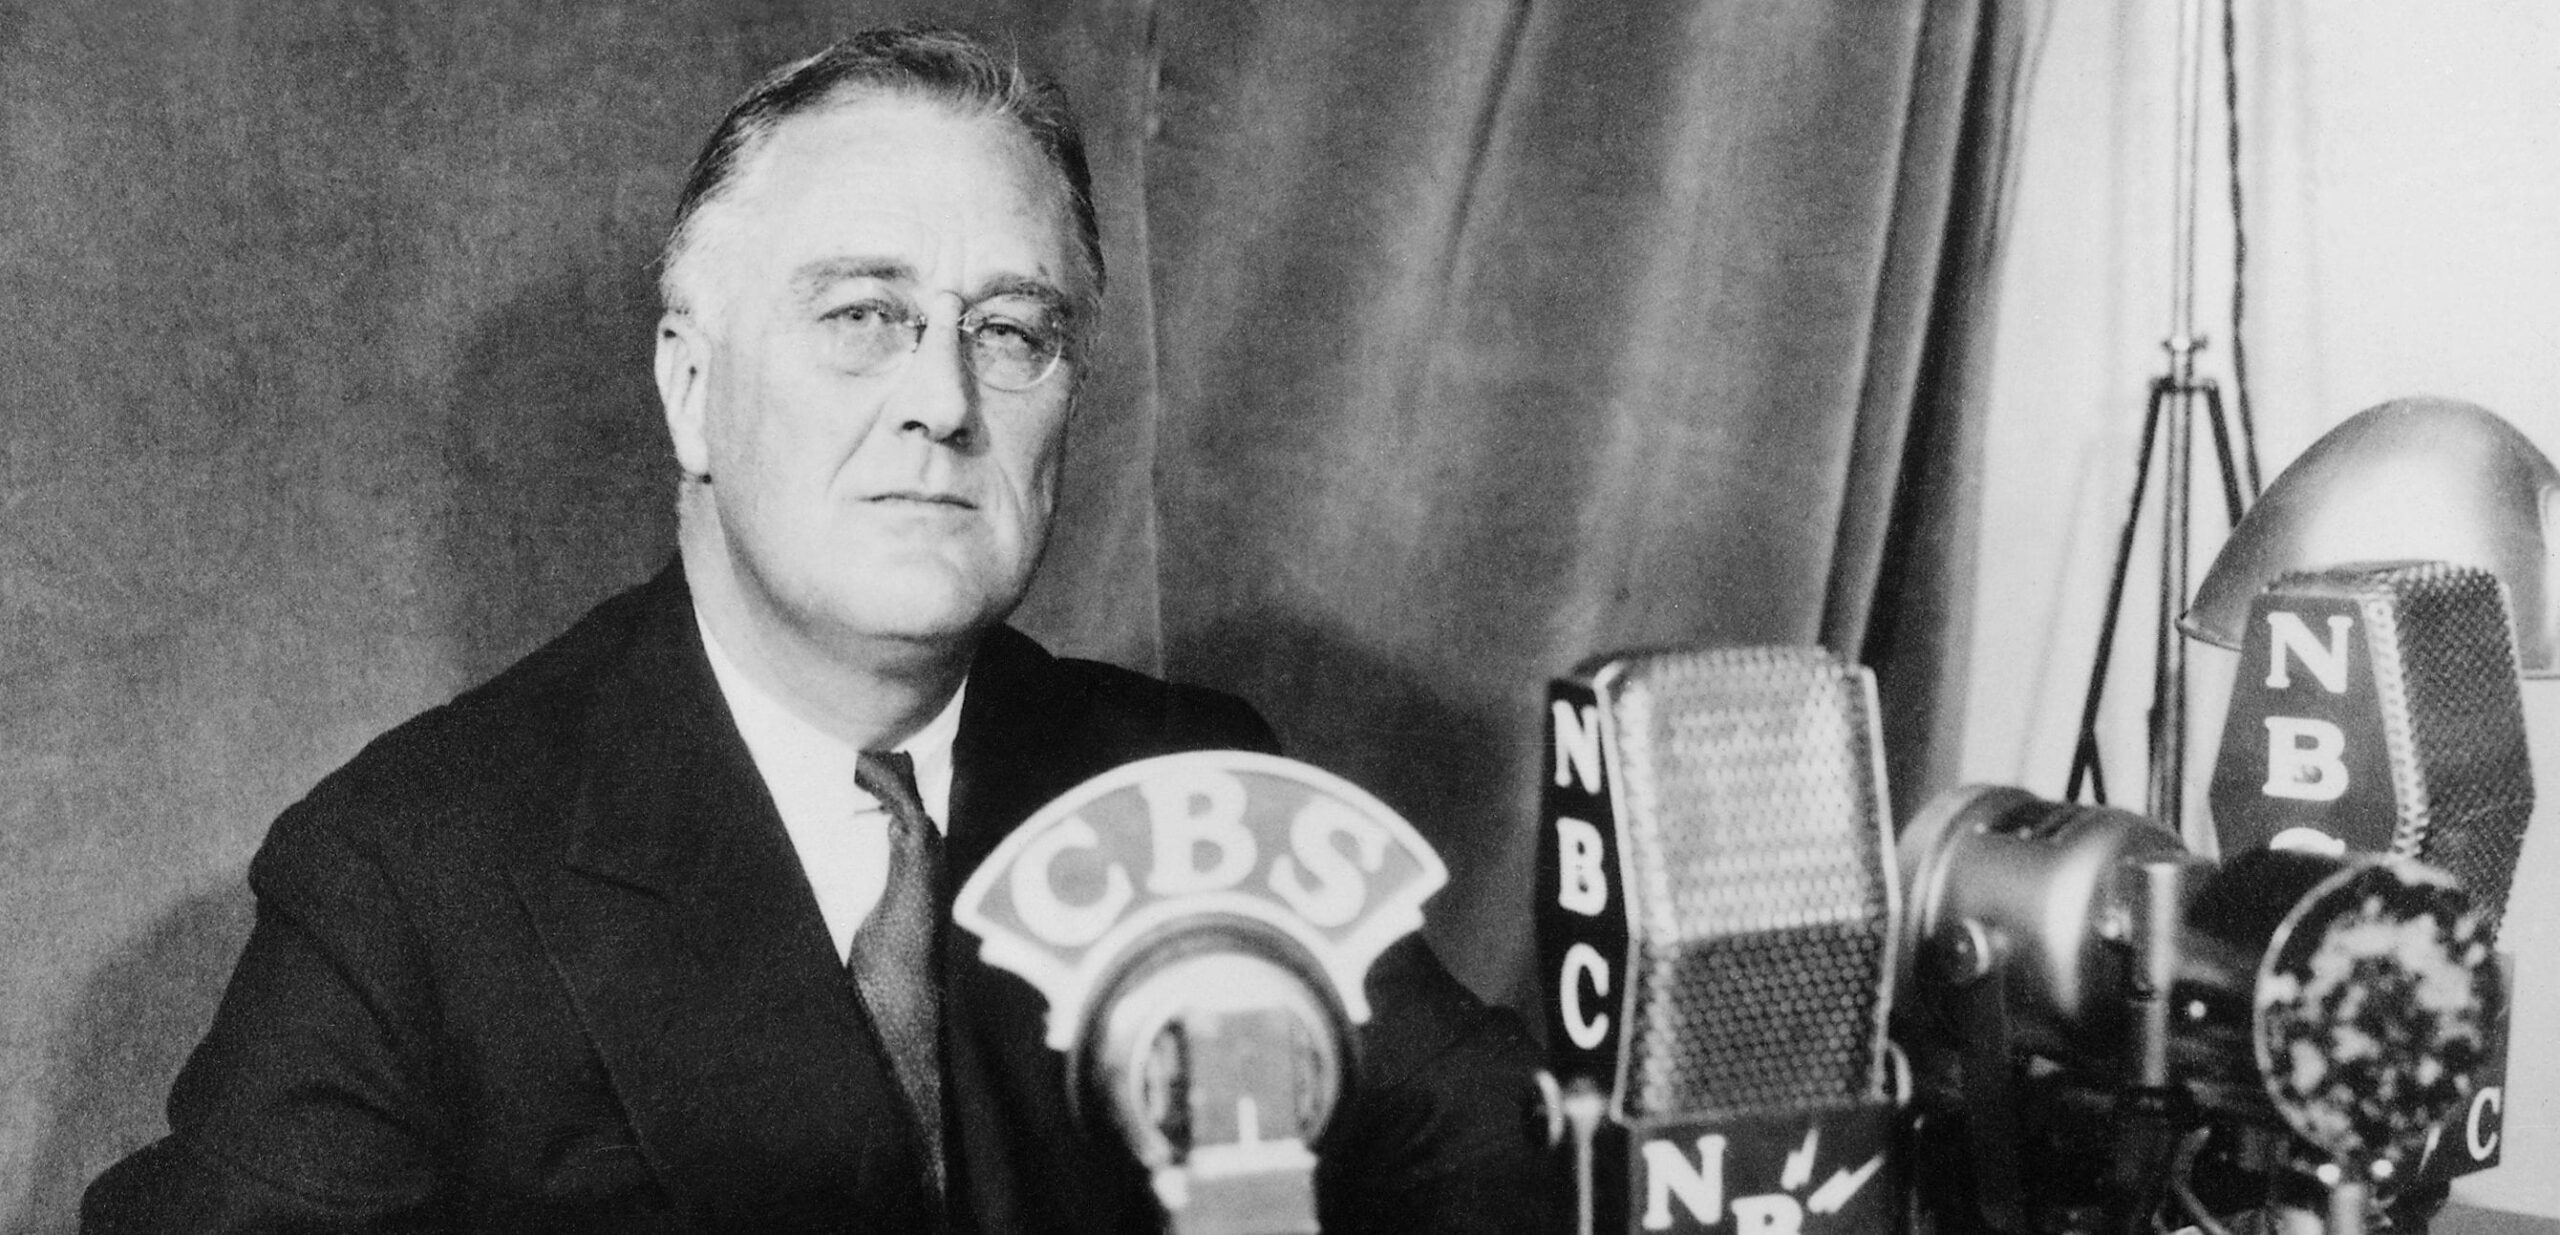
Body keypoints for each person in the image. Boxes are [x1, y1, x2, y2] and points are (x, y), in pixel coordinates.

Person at [81, 24, 1549, 1235]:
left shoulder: (1190, 792)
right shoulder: (413, 880)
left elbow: (1517, 1171)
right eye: (861, 315)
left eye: (1010, 331)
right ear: (690, 389)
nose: (943, 402)